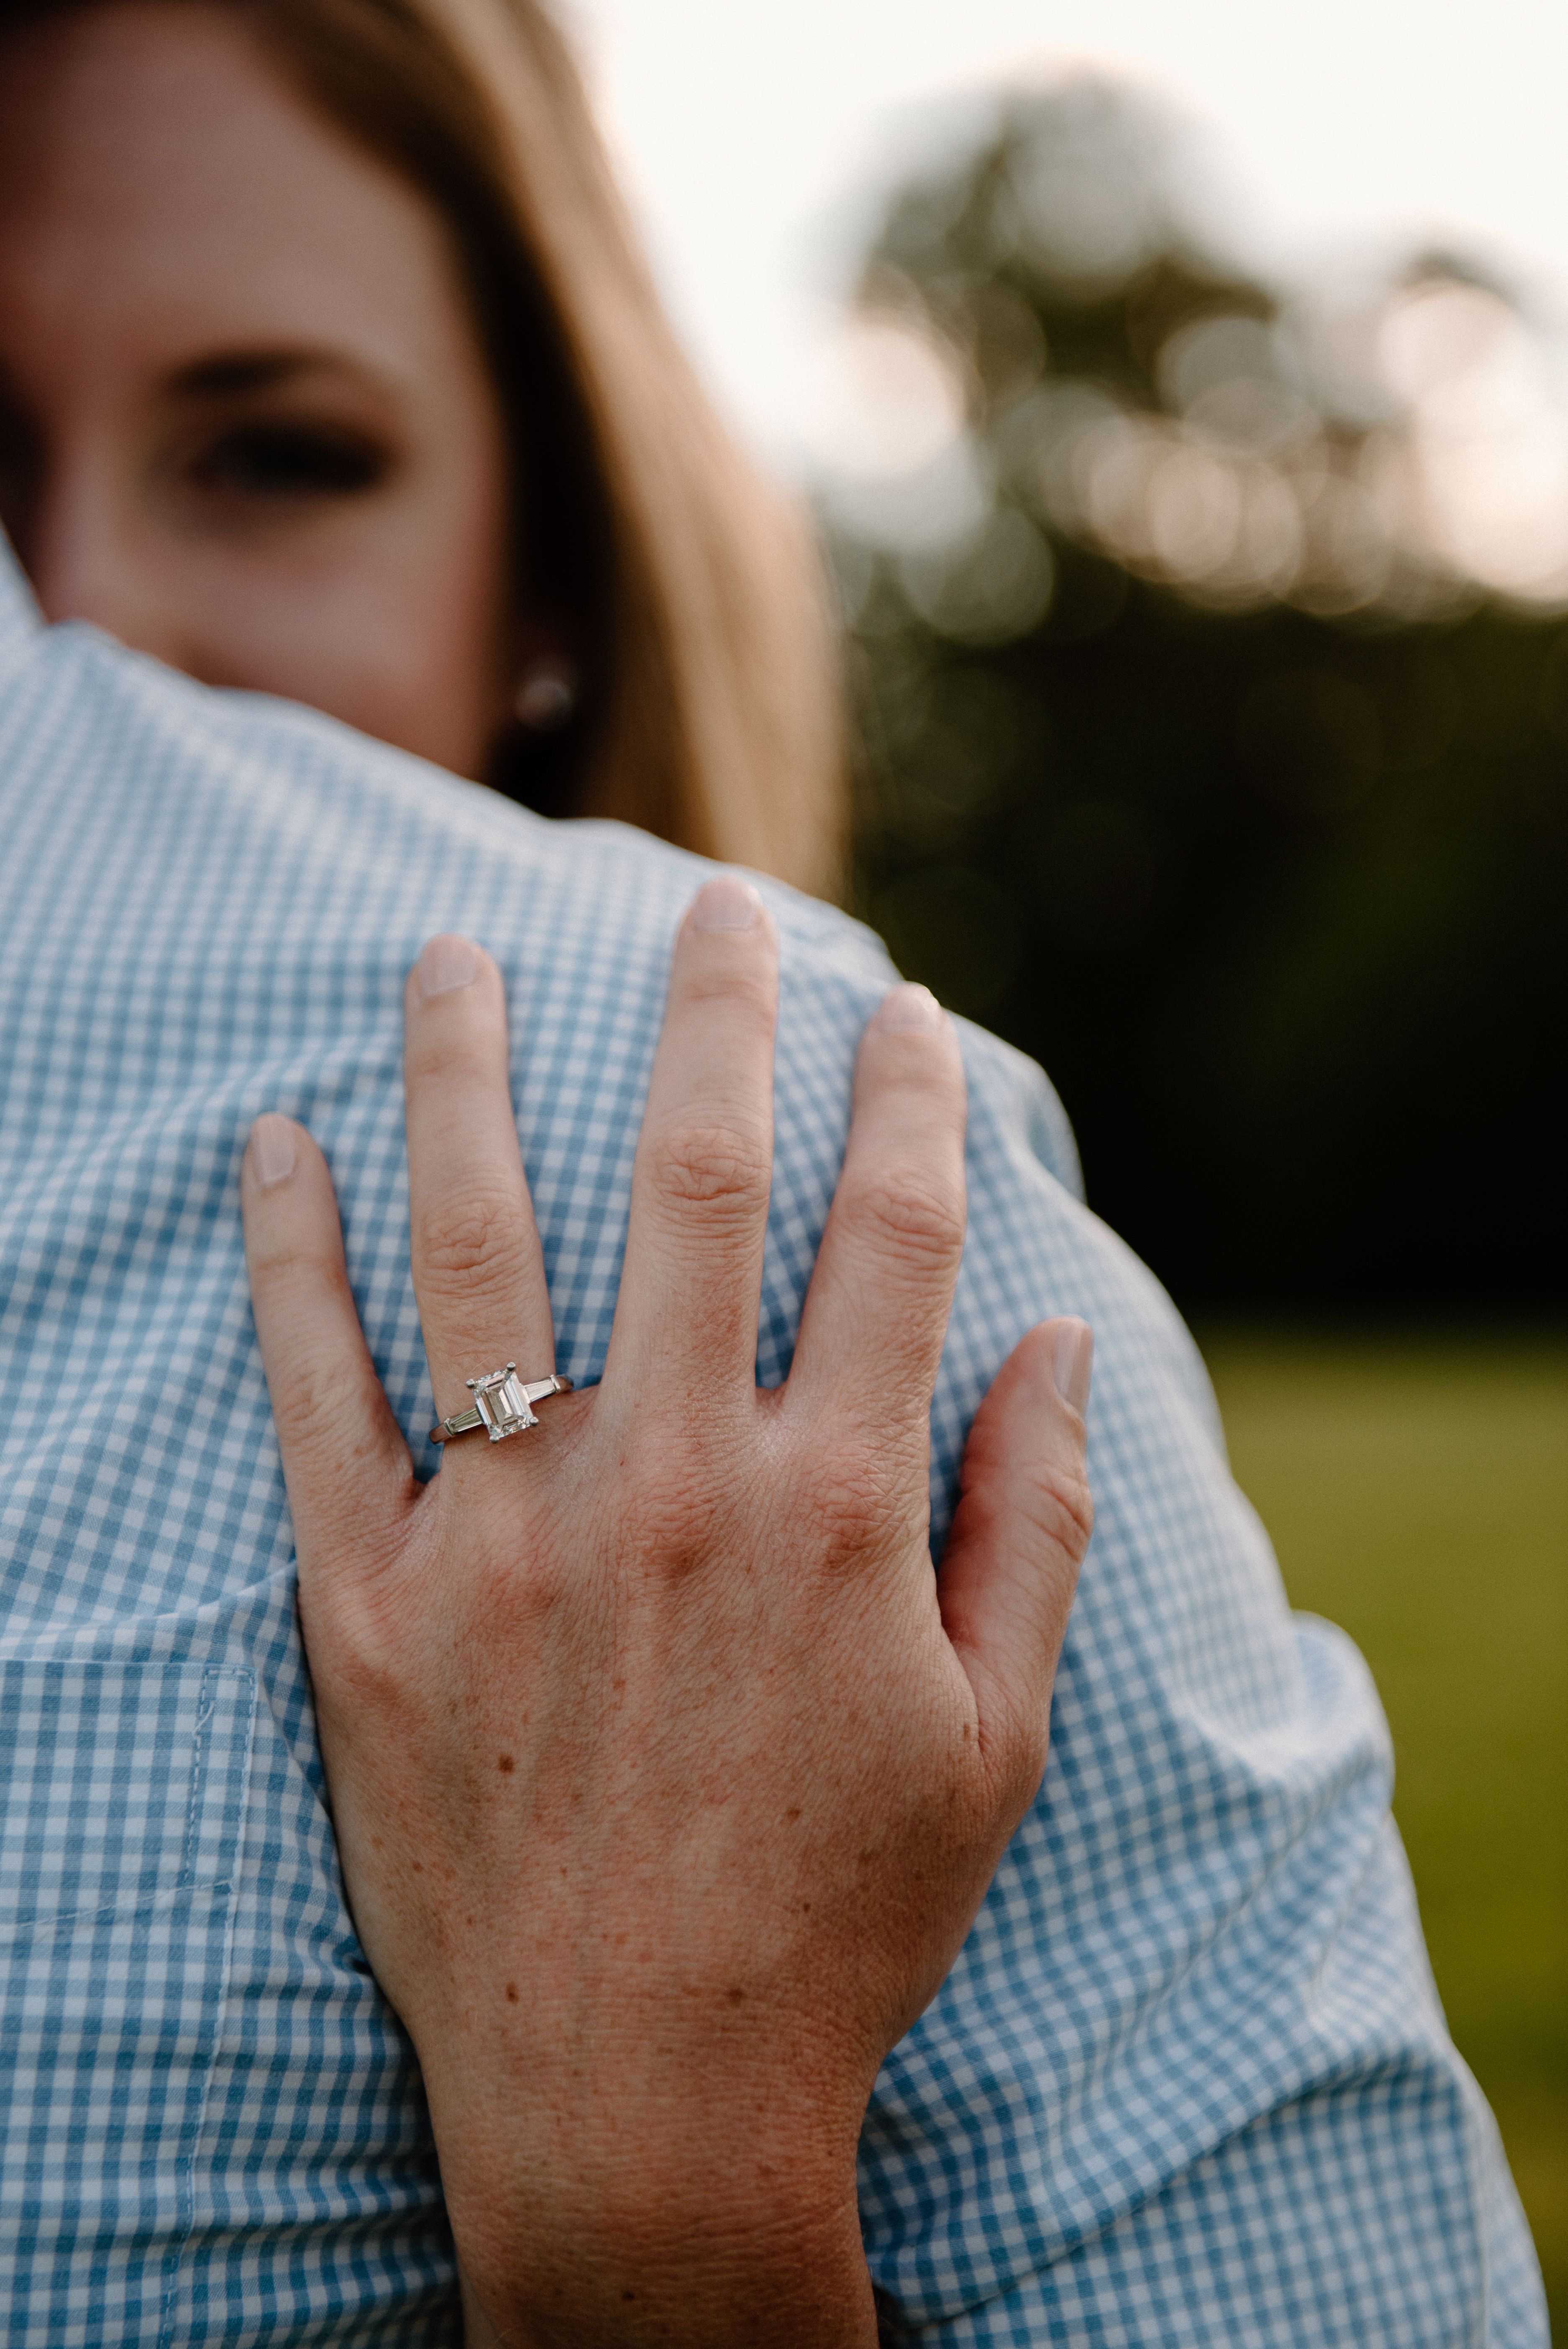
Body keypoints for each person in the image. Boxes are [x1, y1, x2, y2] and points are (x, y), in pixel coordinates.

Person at [0, 2, 1547, 2344]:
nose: (103, 637)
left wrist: (667, 2223)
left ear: (549, 571)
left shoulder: (802, 1172)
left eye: (280, 459)